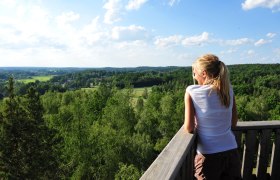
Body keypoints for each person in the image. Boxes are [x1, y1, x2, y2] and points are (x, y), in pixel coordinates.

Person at [184, 54, 241, 180]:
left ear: (203, 73)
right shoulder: (228, 90)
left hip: (208, 155)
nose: (194, 77)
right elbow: (233, 123)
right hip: (231, 152)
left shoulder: (192, 91)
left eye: (194, 73)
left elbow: (189, 128)